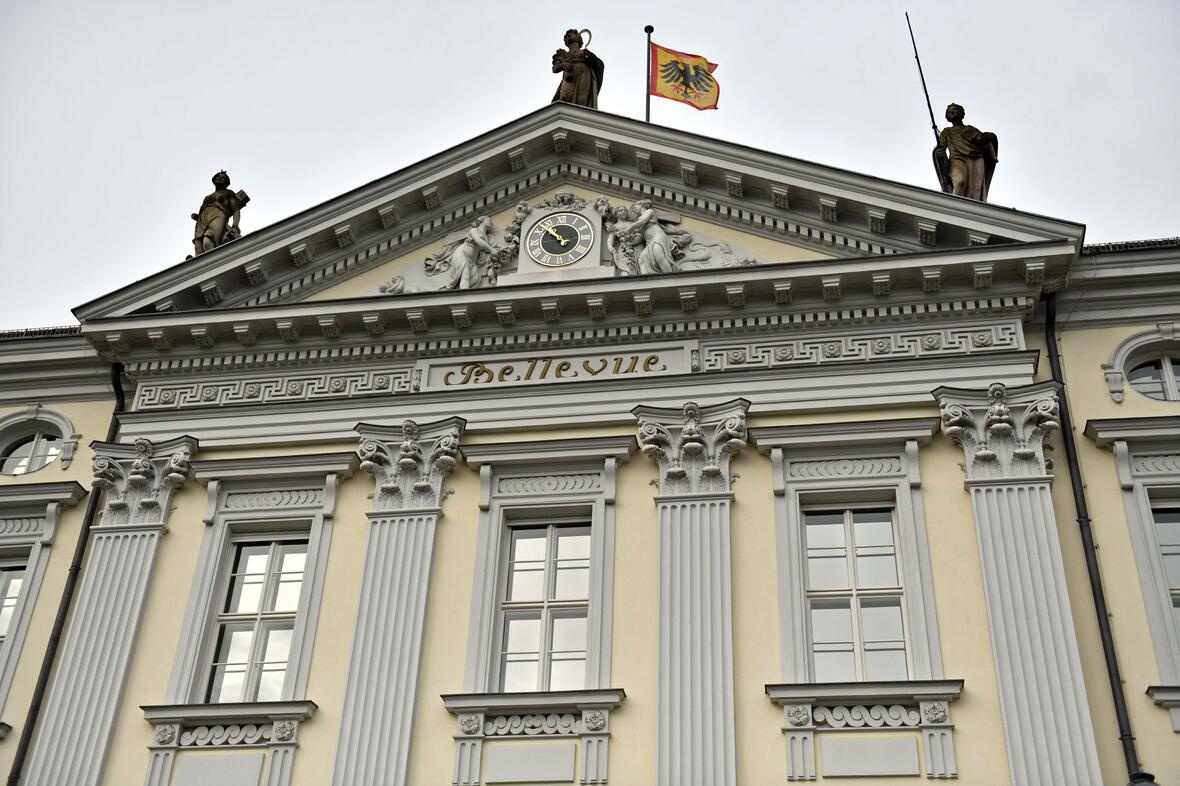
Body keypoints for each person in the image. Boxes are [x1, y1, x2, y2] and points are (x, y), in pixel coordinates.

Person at [934, 104, 999, 202]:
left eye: (954, 110)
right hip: (957, 158)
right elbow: (940, 147)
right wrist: (939, 153)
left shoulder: (970, 129)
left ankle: (973, 210)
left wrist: (988, 137)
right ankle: (954, 207)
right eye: (949, 112)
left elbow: (980, 139)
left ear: (961, 113)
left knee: (976, 189)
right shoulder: (947, 132)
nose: (951, 112)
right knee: (960, 181)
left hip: (976, 158)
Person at [424, 217, 501, 290]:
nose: (491, 222)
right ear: (482, 221)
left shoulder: (488, 237)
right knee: (465, 275)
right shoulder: (474, 230)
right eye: (489, 220)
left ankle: (458, 292)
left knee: (476, 279)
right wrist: (491, 249)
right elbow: (478, 240)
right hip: (462, 254)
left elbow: (494, 246)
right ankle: (464, 295)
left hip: (472, 260)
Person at [192, 171, 246, 255]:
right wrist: (196, 216)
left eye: (223, 177)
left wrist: (235, 225)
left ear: (226, 183)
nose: (220, 178)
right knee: (198, 243)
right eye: (218, 176)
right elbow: (202, 210)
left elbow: (236, 210)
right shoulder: (207, 197)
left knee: (208, 240)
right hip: (203, 219)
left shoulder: (228, 193)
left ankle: (213, 260)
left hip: (218, 214)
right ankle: (197, 259)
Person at [551, 29, 604, 109]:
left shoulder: (585, 53)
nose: (569, 36)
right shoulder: (562, 54)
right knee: (565, 98)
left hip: (583, 75)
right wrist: (564, 65)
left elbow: (599, 64)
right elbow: (555, 69)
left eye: (572, 34)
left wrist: (588, 58)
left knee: (581, 101)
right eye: (567, 36)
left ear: (579, 38)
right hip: (568, 78)